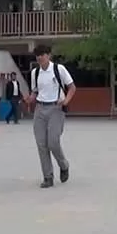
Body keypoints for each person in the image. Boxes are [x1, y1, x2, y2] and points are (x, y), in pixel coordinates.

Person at [28, 44, 76, 189]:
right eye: (37, 55)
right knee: (41, 144)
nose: (40, 58)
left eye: (42, 54)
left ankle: (63, 165)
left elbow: (72, 87)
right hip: (40, 109)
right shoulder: (35, 72)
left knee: (53, 142)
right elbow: (35, 91)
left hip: (56, 108)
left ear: (49, 55)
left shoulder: (58, 69)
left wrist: (66, 101)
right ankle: (47, 176)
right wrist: (30, 99)